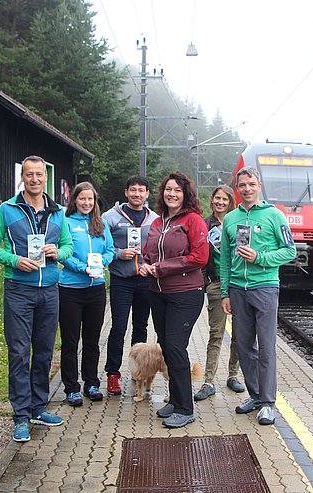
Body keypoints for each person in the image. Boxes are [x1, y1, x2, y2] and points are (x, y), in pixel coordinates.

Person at [0, 155, 73, 442]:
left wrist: (58, 254)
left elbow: (68, 246)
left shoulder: (58, 212)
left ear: (46, 177)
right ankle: (21, 416)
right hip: (19, 290)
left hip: (49, 289)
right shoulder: (7, 210)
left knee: (44, 351)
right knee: (20, 353)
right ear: (23, 177)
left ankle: (38, 407)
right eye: (29, 174)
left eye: (39, 175)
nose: (35, 179)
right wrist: (14, 260)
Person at [220, 167, 296, 426]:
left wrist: (260, 258)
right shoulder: (230, 219)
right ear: (237, 188)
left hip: (264, 288)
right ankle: (254, 395)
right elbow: (226, 259)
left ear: (259, 185)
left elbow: (290, 251)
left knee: (266, 346)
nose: (247, 189)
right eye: (242, 185)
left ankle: (267, 402)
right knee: (243, 346)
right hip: (238, 291)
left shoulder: (275, 215)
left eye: (251, 184)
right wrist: (225, 292)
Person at [139, 171, 209, 428]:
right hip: (158, 294)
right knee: (166, 346)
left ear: (185, 194)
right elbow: (149, 253)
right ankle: (175, 400)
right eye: (168, 189)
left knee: (176, 348)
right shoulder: (158, 222)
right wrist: (145, 265)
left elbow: (200, 258)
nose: (171, 194)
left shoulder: (193, 221)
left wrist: (162, 268)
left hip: (186, 294)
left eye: (177, 190)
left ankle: (185, 407)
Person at [59, 182, 114, 407]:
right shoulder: (66, 223)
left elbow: (110, 250)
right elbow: (62, 254)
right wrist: (83, 268)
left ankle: (91, 382)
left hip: (96, 290)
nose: (86, 203)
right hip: (71, 289)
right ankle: (71, 388)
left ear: (95, 201)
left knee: (92, 341)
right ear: (74, 200)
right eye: (82, 199)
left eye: (90, 199)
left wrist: (102, 263)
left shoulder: (100, 224)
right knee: (70, 341)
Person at [102, 176, 158, 395]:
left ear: (147, 194)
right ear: (126, 192)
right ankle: (113, 374)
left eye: (141, 191)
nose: (137, 194)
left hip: (145, 281)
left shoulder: (154, 218)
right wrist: (119, 254)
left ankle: (139, 372)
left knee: (141, 327)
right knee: (118, 327)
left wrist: (151, 266)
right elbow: (102, 246)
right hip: (121, 280)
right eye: (133, 190)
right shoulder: (110, 217)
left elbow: (156, 248)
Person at [194, 185, 245, 401]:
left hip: (240, 283)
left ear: (230, 201)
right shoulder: (205, 224)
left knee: (239, 334)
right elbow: (200, 254)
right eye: (217, 198)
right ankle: (208, 381)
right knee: (216, 334)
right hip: (216, 284)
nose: (220, 202)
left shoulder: (239, 223)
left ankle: (233, 375)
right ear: (212, 200)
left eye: (224, 199)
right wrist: (206, 281)